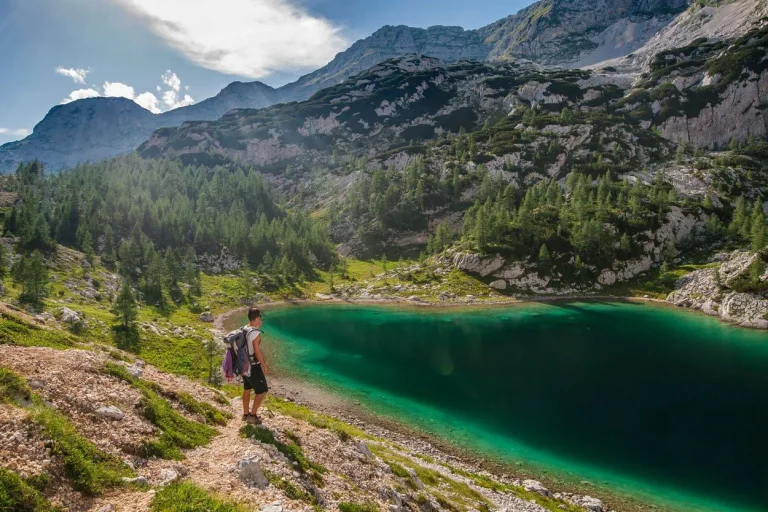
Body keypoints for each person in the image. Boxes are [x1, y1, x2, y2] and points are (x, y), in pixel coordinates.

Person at [242, 306, 269, 424]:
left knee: (247, 388)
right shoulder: (256, 333)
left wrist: (256, 326)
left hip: (243, 364)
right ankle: (253, 415)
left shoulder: (245, 328)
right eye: (259, 317)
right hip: (253, 366)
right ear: (257, 317)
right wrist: (264, 365)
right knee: (262, 390)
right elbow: (256, 350)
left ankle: (245, 414)